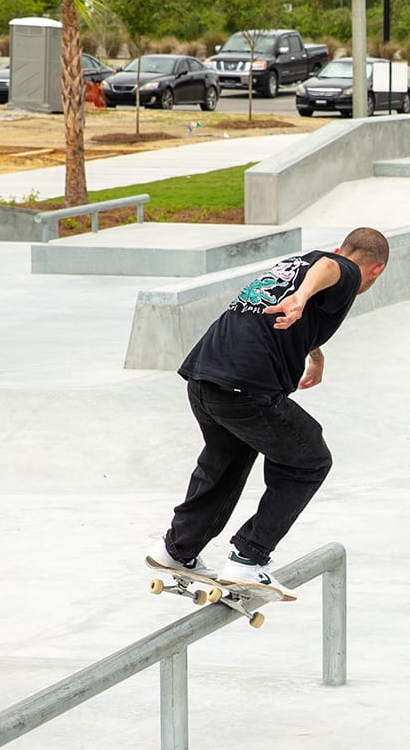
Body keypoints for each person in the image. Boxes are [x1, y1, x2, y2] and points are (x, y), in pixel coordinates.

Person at [149, 229, 390, 590]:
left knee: (227, 458)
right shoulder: (347, 270)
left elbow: (308, 292)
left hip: (205, 375)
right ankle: (249, 557)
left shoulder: (300, 264)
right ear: (377, 271)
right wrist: (303, 295)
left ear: (342, 246)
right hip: (244, 386)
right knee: (308, 458)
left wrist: (315, 353)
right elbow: (330, 269)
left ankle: (177, 549)